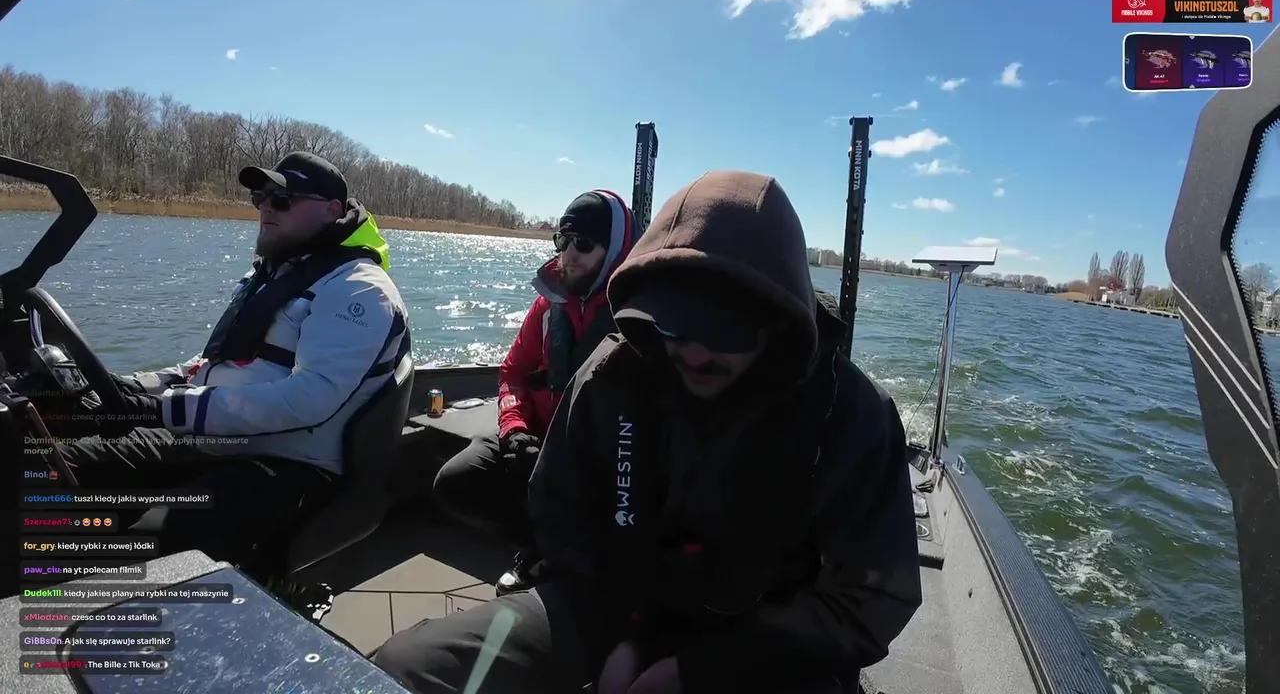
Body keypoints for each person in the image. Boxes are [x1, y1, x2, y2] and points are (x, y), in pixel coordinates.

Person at [373, 171, 923, 693]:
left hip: (766, 650)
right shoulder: (615, 370)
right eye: (674, 324)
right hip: (613, 606)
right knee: (410, 668)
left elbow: (867, 602)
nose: (696, 352)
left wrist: (701, 672)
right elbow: (561, 510)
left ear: (781, 324)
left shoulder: (851, 414)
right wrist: (626, 634)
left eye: (726, 331)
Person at [30, 151, 411, 578]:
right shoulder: (271, 275)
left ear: (332, 210)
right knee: (47, 466)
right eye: (260, 197)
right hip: (215, 440)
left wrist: (163, 409)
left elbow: (307, 400)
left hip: (290, 465)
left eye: (283, 199)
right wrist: (127, 388)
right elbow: (211, 365)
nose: (267, 207)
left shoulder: (359, 290)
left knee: (145, 553)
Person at [431, 189, 635, 595]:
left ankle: (577, 566)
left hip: (600, 459)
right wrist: (515, 431)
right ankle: (545, 551)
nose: (569, 254)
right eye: (563, 240)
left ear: (615, 250)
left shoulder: (636, 316)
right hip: (537, 441)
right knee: (456, 482)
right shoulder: (547, 307)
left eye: (584, 243)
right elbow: (513, 373)